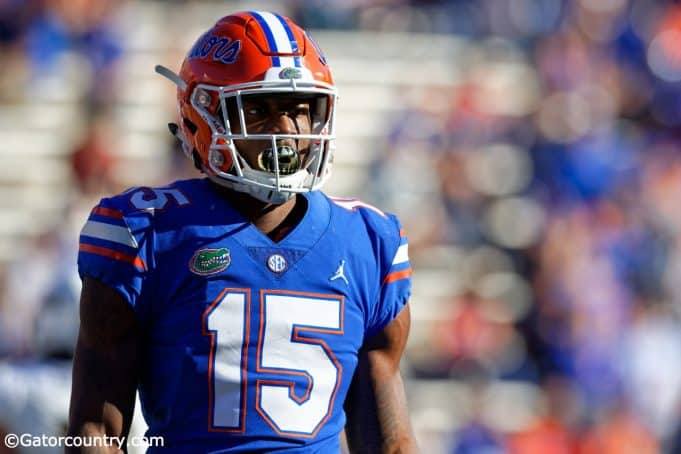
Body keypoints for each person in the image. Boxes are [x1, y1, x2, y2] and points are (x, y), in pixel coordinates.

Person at [67, 10, 418, 453]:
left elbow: (389, 443)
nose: (287, 131)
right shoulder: (146, 234)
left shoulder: (368, 241)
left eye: (300, 110)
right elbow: (95, 432)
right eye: (258, 109)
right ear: (202, 118)